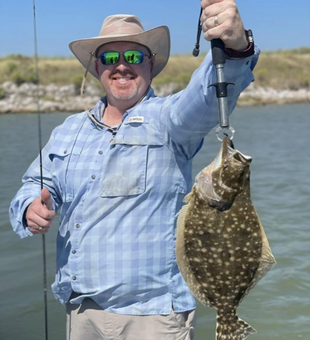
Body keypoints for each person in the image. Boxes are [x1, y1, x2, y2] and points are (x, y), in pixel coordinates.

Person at [9, 1, 259, 339]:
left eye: (135, 57)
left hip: (153, 318)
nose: (122, 66)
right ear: (97, 67)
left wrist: (235, 47)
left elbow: (205, 97)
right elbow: (33, 184)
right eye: (110, 58)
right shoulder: (68, 130)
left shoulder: (168, 121)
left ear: (151, 65)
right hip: (81, 313)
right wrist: (29, 208)